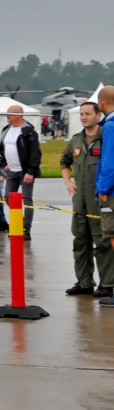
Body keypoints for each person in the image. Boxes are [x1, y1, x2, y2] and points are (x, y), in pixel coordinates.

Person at [61, 102, 110, 296]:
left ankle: (107, 284)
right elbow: (65, 161)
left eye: (88, 114)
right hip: (79, 202)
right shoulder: (76, 140)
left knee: (103, 243)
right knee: (80, 241)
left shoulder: (106, 138)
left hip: (100, 201)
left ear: (98, 115)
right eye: (81, 114)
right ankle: (84, 282)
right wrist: (67, 181)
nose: (83, 117)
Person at [0, 103, 41, 242]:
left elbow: (35, 153)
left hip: (25, 173)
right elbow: (2, 149)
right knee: (7, 198)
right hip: (11, 172)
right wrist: (4, 164)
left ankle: (26, 229)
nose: (7, 116)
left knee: (27, 201)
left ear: (18, 115)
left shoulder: (29, 132)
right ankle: (18, 224)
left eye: (10, 113)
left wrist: (30, 171)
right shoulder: (6, 130)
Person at [94, 87, 114, 307]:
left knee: (113, 236)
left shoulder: (110, 126)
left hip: (112, 192)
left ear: (101, 102)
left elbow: (109, 162)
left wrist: (103, 188)